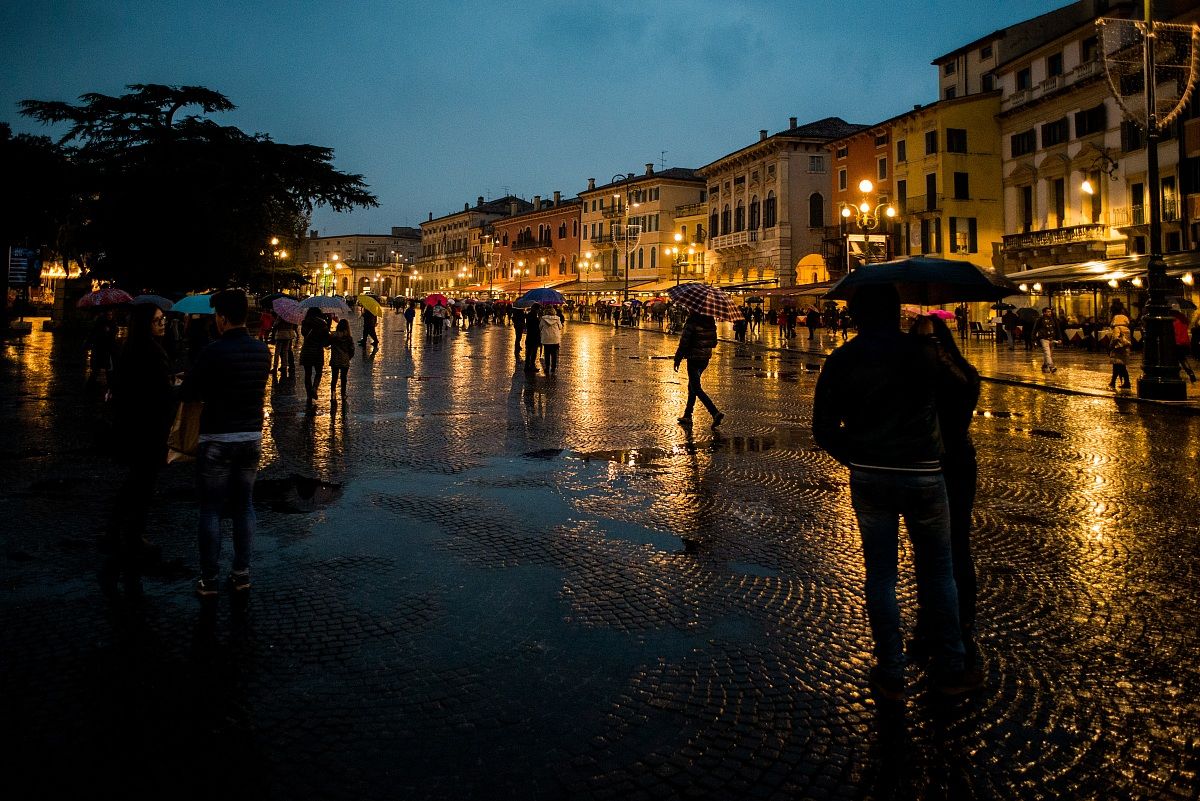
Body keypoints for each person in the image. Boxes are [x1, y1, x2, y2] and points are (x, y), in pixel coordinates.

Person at [811, 284, 979, 699]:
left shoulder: (842, 358)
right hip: (924, 472)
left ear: (854, 315)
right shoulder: (919, 353)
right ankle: (954, 665)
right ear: (896, 312)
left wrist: (856, 458)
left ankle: (891, 671)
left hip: (871, 474)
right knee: (939, 569)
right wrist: (929, 340)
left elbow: (823, 427)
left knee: (881, 575)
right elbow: (963, 394)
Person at [179, 289, 271, 597]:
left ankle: (209, 578)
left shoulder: (212, 351)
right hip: (251, 437)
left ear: (222, 318)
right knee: (244, 505)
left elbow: (191, 393)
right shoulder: (262, 352)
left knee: (211, 509)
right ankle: (242, 572)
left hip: (217, 437)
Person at [909, 315, 982, 671]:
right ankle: (962, 616)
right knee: (958, 543)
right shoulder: (965, 372)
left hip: (931, 462)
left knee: (930, 547)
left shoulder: (922, 376)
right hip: (961, 461)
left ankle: (933, 620)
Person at [102, 303, 175, 588]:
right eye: (157, 320)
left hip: (134, 429)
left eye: (163, 319)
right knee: (142, 484)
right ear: (144, 324)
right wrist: (172, 389)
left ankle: (121, 531)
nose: (162, 323)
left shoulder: (131, 350)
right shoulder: (150, 353)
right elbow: (155, 394)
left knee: (136, 483)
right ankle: (131, 536)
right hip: (147, 430)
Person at [673, 311, 724, 428]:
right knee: (692, 386)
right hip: (705, 358)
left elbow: (684, 343)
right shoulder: (711, 322)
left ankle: (714, 412)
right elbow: (714, 343)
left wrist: (677, 358)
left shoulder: (691, 322)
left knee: (696, 388)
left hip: (693, 358)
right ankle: (687, 415)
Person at [299, 308, 330, 407]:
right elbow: (326, 341)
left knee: (307, 374)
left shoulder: (305, 322)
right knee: (318, 372)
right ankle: (314, 388)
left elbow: (303, 334)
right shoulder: (323, 324)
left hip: (307, 350)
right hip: (317, 351)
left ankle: (309, 395)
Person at [86, 308, 119, 391]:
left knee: (109, 369)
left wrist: (110, 330)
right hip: (101, 350)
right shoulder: (100, 323)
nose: (110, 316)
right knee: (97, 369)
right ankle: (90, 386)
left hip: (109, 350)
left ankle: (110, 387)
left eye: (111, 315)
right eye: (108, 315)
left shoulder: (113, 324)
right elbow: (95, 335)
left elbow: (114, 333)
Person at [329, 317, 355, 405]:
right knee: (343, 378)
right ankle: (343, 394)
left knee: (334, 378)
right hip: (344, 360)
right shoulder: (348, 338)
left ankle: (333, 393)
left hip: (335, 359)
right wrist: (348, 357)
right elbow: (352, 349)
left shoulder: (333, 336)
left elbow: (327, 343)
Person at [1108, 306, 1132, 390]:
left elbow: (1115, 338)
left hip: (1117, 349)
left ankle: (1115, 382)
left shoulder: (1117, 328)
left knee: (1117, 366)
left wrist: (1110, 346)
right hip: (1125, 349)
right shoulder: (1126, 328)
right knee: (1121, 366)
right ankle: (1122, 382)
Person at [1171, 306, 1197, 382]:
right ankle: (1190, 373)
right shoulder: (1183, 319)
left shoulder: (1173, 320)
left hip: (1176, 342)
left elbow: (1173, 331)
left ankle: (1176, 374)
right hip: (1184, 342)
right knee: (1182, 359)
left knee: (1176, 359)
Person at [539, 306, 564, 375]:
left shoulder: (543, 319)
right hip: (555, 339)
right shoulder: (557, 318)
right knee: (554, 354)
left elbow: (540, 327)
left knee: (546, 354)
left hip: (546, 338)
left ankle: (547, 367)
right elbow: (560, 327)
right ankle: (553, 367)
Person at [1033, 307, 1059, 373]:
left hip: (1052, 338)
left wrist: (1059, 338)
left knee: (1049, 354)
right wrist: (1034, 339)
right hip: (1044, 338)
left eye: (1050, 312)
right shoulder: (1040, 320)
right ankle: (1051, 366)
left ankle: (1045, 365)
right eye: (1048, 312)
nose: (1049, 313)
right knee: (1047, 353)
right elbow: (1035, 329)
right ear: (1044, 312)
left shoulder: (1053, 319)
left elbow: (1057, 329)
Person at [523, 303, 543, 373]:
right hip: (534, 337)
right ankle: (532, 366)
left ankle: (526, 366)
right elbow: (537, 327)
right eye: (538, 309)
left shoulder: (528, 315)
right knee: (533, 352)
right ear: (536, 309)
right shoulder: (534, 317)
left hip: (529, 336)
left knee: (528, 352)